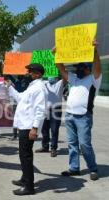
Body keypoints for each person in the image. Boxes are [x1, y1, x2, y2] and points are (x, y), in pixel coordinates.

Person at [54, 41, 102, 181]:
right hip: (69, 115)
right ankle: (74, 168)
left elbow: (98, 66)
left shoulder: (94, 79)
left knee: (84, 144)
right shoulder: (74, 79)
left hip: (83, 117)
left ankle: (93, 168)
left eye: (81, 67)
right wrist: (56, 54)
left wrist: (94, 51)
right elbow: (60, 68)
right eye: (77, 67)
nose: (78, 70)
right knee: (72, 143)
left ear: (88, 68)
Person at [4, 63, 47, 195]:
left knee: (25, 156)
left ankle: (29, 187)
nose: (27, 73)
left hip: (29, 127)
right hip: (25, 125)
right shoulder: (32, 86)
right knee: (24, 155)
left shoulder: (39, 88)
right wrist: (10, 87)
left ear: (38, 74)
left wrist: (35, 128)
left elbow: (41, 110)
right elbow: (21, 98)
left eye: (30, 71)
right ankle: (25, 179)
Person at [35, 77, 65, 157]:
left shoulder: (60, 83)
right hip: (45, 109)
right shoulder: (44, 83)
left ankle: (53, 148)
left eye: (53, 76)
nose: (51, 78)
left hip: (56, 110)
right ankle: (45, 147)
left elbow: (65, 76)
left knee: (54, 130)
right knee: (44, 129)